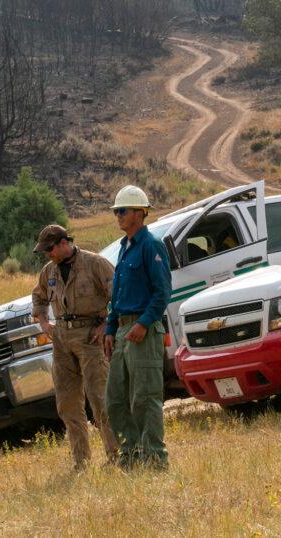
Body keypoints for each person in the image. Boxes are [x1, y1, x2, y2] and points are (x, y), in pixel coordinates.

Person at [31, 224, 119, 471]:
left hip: (91, 337)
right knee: (67, 403)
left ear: (62, 243)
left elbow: (119, 295)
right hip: (61, 339)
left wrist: (107, 325)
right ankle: (81, 462)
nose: (47, 254)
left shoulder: (95, 264)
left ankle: (116, 455)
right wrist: (43, 321)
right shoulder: (49, 271)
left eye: (49, 249)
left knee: (99, 398)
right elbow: (38, 296)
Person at [103, 185, 172, 470]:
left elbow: (163, 291)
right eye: (116, 211)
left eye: (123, 211)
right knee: (115, 400)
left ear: (140, 213)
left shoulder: (151, 245)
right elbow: (117, 294)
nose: (118, 216)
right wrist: (109, 328)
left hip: (143, 330)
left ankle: (154, 459)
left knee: (144, 399)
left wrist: (144, 323)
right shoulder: (123, 248)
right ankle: (131, 456)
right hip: (121, 332)